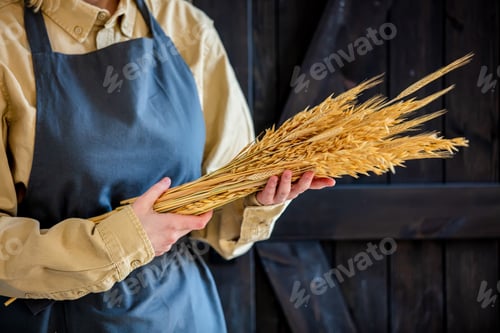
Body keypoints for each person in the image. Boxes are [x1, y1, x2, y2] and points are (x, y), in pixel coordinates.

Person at [0, 0, 335, 331]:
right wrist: (123, 241)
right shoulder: (6, 39)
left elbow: (219, 221)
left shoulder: (185, 25)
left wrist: (256, 200)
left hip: (182, 316)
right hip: (53, 320)